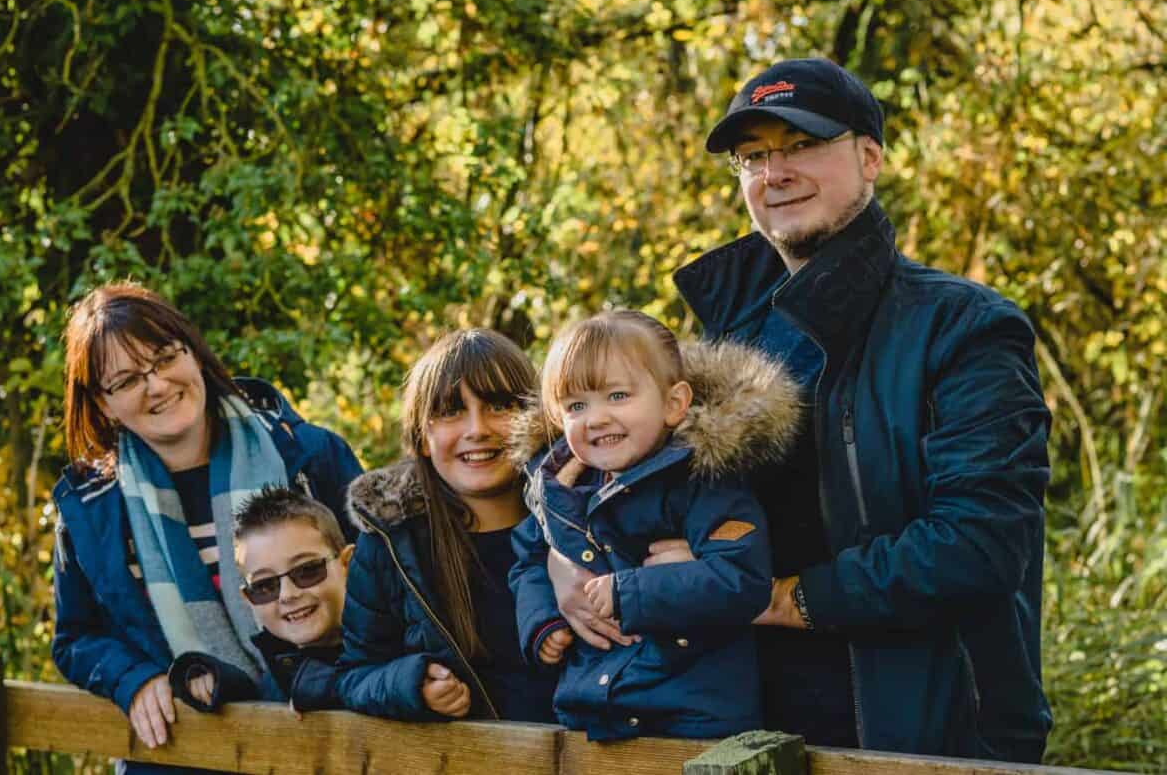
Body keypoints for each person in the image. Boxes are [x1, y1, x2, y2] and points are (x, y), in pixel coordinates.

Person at [548, 58, 1052, 761]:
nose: (775, 171)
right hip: (735, 726)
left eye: (803, 145)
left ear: (870, 157)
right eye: (754, 156)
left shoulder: (963, 328)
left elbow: (979, 548)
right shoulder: (715, 338)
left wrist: (769, 597)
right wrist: (567, 566)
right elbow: (604, 475)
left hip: (915, 728)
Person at [51, 282, 363, 774]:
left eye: (163, 358)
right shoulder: (92, 511)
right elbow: (75, 637)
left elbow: (386, 581)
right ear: (103, 402)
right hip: (182, 752)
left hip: (324, 735)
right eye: (128, 380)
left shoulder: (308, 456)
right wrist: (134, 677)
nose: (156, 385)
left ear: (192, 352)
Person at [509, 310, 799, 740]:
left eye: (618, 396)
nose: (597, 417)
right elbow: (528, 561)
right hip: (592, 712)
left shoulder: (703, 481)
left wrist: (628, 592)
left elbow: (742, 578)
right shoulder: (561, 489)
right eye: (576, 406)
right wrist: (542, 622)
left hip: (692, 716)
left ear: (673, 404)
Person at [336, 329, 558, 723]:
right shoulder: (391, 545)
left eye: (499, 405)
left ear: (537, 419)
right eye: (451, 411)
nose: (477, 429)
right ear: (423, 438)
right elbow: (355, 675)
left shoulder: (586, 518)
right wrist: (411, 683)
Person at [168, 485, 353, 713]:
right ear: (247, 598)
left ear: (348, 564)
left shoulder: (396, 642)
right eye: (265, 586)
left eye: (307, 570)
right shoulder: (276, 675)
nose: (288, 595)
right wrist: (217, 683)